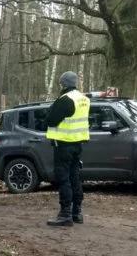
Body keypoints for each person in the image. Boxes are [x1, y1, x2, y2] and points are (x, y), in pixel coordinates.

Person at [46, 71, 90, 227]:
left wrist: (51, 109)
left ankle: (65, 214)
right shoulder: (84, 99)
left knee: (64, 179)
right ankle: (77, 212)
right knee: (75, 177)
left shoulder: (65, 100)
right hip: (77, 144)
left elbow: (50, 120)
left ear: (63, 84)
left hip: (63, 144)